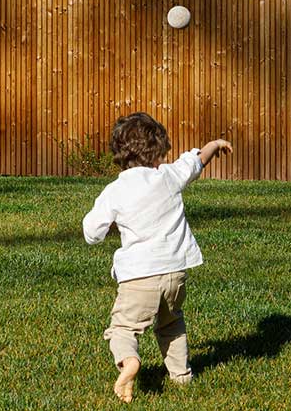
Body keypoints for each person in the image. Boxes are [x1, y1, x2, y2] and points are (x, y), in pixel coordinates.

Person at [82, 112, 233, 404]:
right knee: (171, 324)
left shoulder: (115, 191)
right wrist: (214, 144)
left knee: (123, 328)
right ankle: (182, 376)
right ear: (158, 152)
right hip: (176, 273)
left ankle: (129, 361)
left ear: (120, 153)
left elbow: (91, 232)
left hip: (139, 277)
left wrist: (107, 228)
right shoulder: (169, 176)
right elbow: (196, 161)